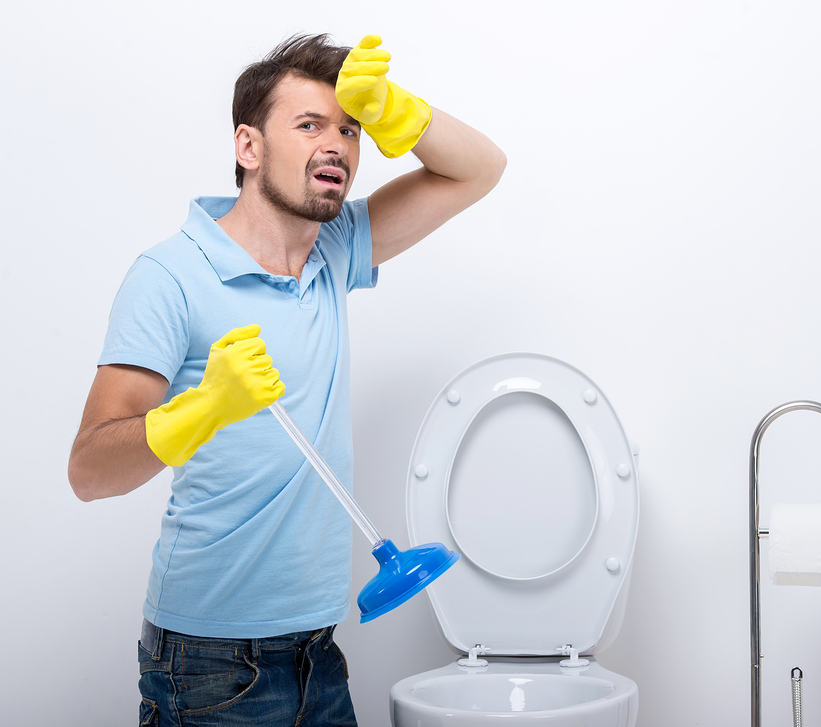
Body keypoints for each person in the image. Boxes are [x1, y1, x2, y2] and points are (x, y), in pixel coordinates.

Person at [68, 32, 505, 726]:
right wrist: (202, 409)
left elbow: (479, 169)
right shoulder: (170, 276)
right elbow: (89, 470)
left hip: (319, 649)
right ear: (249, 147)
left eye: (351, 128)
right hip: (210, 662)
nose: (338, 145)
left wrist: (401, 111)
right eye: (309, 125)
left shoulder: (334, 250)